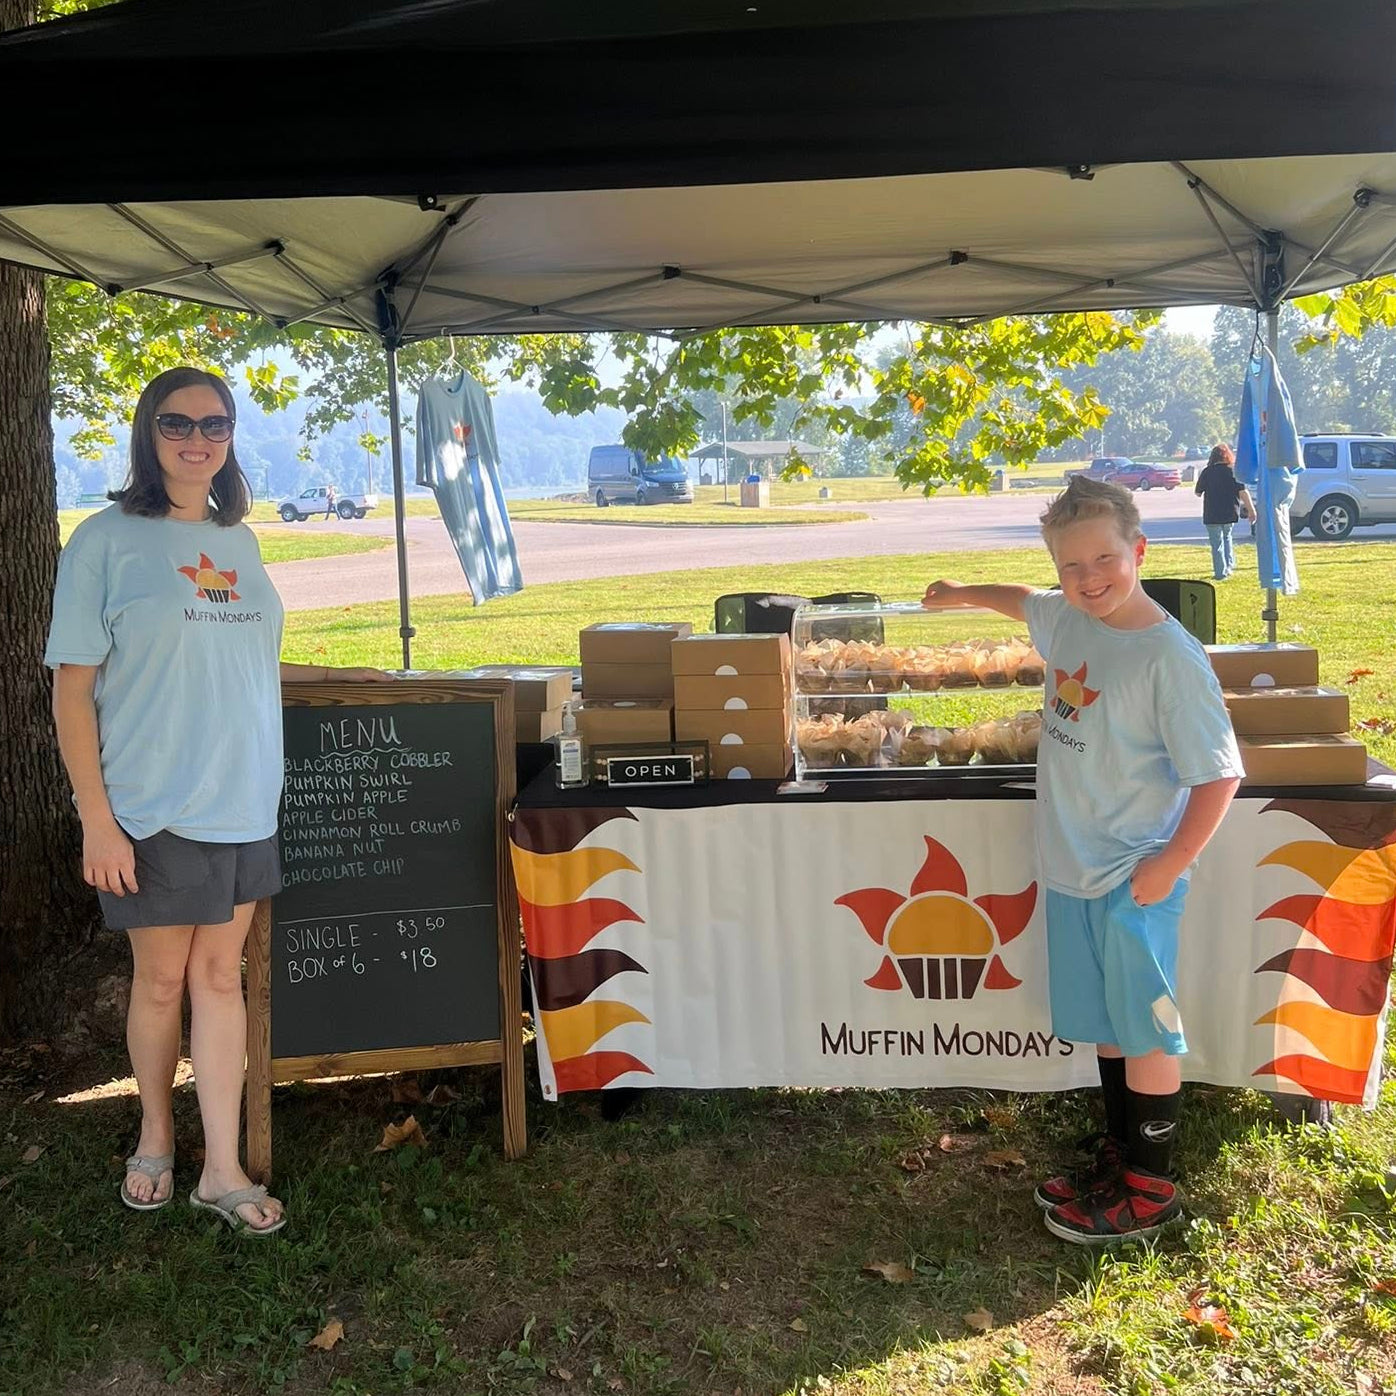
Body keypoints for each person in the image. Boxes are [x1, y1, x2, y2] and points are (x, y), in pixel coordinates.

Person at [46, 367, 392, 1235]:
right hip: (151, 804)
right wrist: (96, 818)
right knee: (162, 981)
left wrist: (337, 674)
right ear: (146, 432)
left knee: (220, 980)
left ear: (231, 437)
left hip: (245, 799)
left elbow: (241, 667)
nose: (196, 438)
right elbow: (71, 689)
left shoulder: (240, 543)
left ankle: (223, 1167)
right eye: (175, 422)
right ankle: (155, 1139)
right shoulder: (105, 540)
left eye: (214, 423)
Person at [922, 475, 1243, 1245]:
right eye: (1072, 567)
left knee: (1145, 1031)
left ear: (1139, 550)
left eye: (1105, 560)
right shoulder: (1065, 618)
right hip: (1071, 869)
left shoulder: (1169, 657)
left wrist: (1171, 863)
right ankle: (1120, 1151)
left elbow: (1220, 772)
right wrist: (961, 590)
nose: (1089, 578)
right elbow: (1021, 597)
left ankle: (1152, 1184)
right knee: (1106, 1026)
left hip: (1134, 876)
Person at [1194, 444, 1256, 581]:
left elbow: (1198, 493)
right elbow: (1243, 492)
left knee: (1217, 543)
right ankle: (1229, 566)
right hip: (1229, 512)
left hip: (1212, 513)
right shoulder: (1233, 471)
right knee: (1227, 537)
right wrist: (1251, 510)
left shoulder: (1207, 472)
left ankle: (1220, 572)